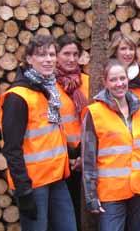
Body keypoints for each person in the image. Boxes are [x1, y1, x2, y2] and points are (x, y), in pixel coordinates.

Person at [0, 34, 77, 231]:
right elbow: (11, 148)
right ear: (29, 59)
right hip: (34, 184)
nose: (48, 59)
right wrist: (23, 190)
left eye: (51, 54)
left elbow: (52, 133)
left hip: (57, 177)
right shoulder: (18, 97)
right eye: (41, 55)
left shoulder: (50, 90)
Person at [81, 60, 140, 231]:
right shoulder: (94, 112)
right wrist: (91, 196)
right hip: (111, 192)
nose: (119, 84)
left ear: (128, 80)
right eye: (113, 80)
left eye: (122, 79)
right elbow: (88, 158)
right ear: (105, 82)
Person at [55, 34, 90, 230]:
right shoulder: (49, 85)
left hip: (86, 154)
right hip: (62, 157)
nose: (71, 59)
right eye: (66, 54)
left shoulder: (87, 81)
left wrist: (84, 155)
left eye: (75, 54)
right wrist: (69, 157)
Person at [109, 32, 140, 101]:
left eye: (131, 49)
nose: (128, 53)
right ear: (115, 52)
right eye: (123, 49)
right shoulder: (106, 78)